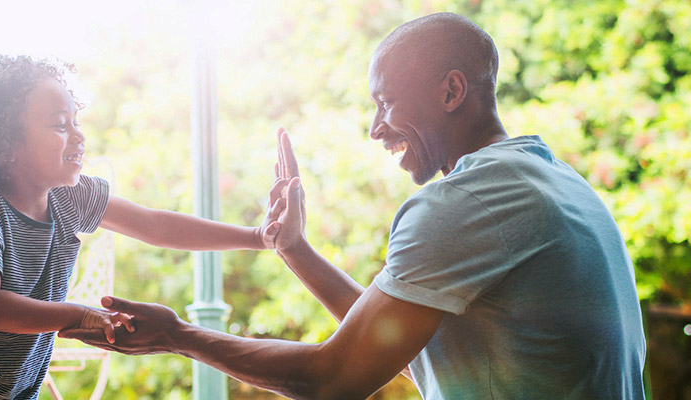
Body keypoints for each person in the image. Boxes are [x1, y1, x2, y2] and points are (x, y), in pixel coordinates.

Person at [62, 12, 647, 399]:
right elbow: (387, 340)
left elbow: (334, 378)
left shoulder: (465, 201)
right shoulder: (551, 178)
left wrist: (180, 336)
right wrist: (294, 251)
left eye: (386, 103)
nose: (375, 129)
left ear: (451, 91)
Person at [0, 55, 288, 399]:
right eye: (59, 124)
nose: (78, 136)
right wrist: (79, 314)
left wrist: (257, 237)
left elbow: (156, 225)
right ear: (5, 142)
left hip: (10, 391)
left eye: (76, 121)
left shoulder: (70, 199)